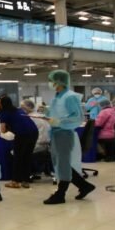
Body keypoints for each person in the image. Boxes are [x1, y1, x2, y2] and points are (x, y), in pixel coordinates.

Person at [43, 70, 95, 204]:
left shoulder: (70, 97)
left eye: (52, 80)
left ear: (59, 81)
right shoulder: (58, 96)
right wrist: (47, 112)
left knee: (63, 163)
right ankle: (84, 186)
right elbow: (58, 113)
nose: (50, 83)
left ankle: (61, 194)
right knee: (59, 163)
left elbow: (77, 117)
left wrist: (59, 122)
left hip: (64, 133)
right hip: (56, 133)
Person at [0, 95, 38, 188]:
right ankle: (25, 180)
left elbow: (2, 130)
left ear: (2, 104)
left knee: (18, 157)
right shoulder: (18, 110)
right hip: (34, 132)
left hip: (22, 135)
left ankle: (15, 181)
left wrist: (7, 128)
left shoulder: (4, 113)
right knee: (27, 157)